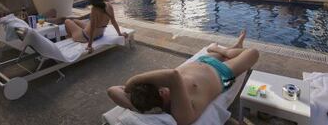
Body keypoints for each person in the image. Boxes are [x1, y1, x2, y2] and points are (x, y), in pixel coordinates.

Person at [107, 30, 259, 125]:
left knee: (225, 53)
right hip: (222, 73)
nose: (163, 88)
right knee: (253, 53)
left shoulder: (141, 103)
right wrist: (133, 81)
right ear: (161, 98)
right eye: (161, 90)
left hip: (202, 61)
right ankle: (227, 51)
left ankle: (228, 49)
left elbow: (111, 90)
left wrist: (133, 99)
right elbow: (173, 75)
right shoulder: (182, 115)